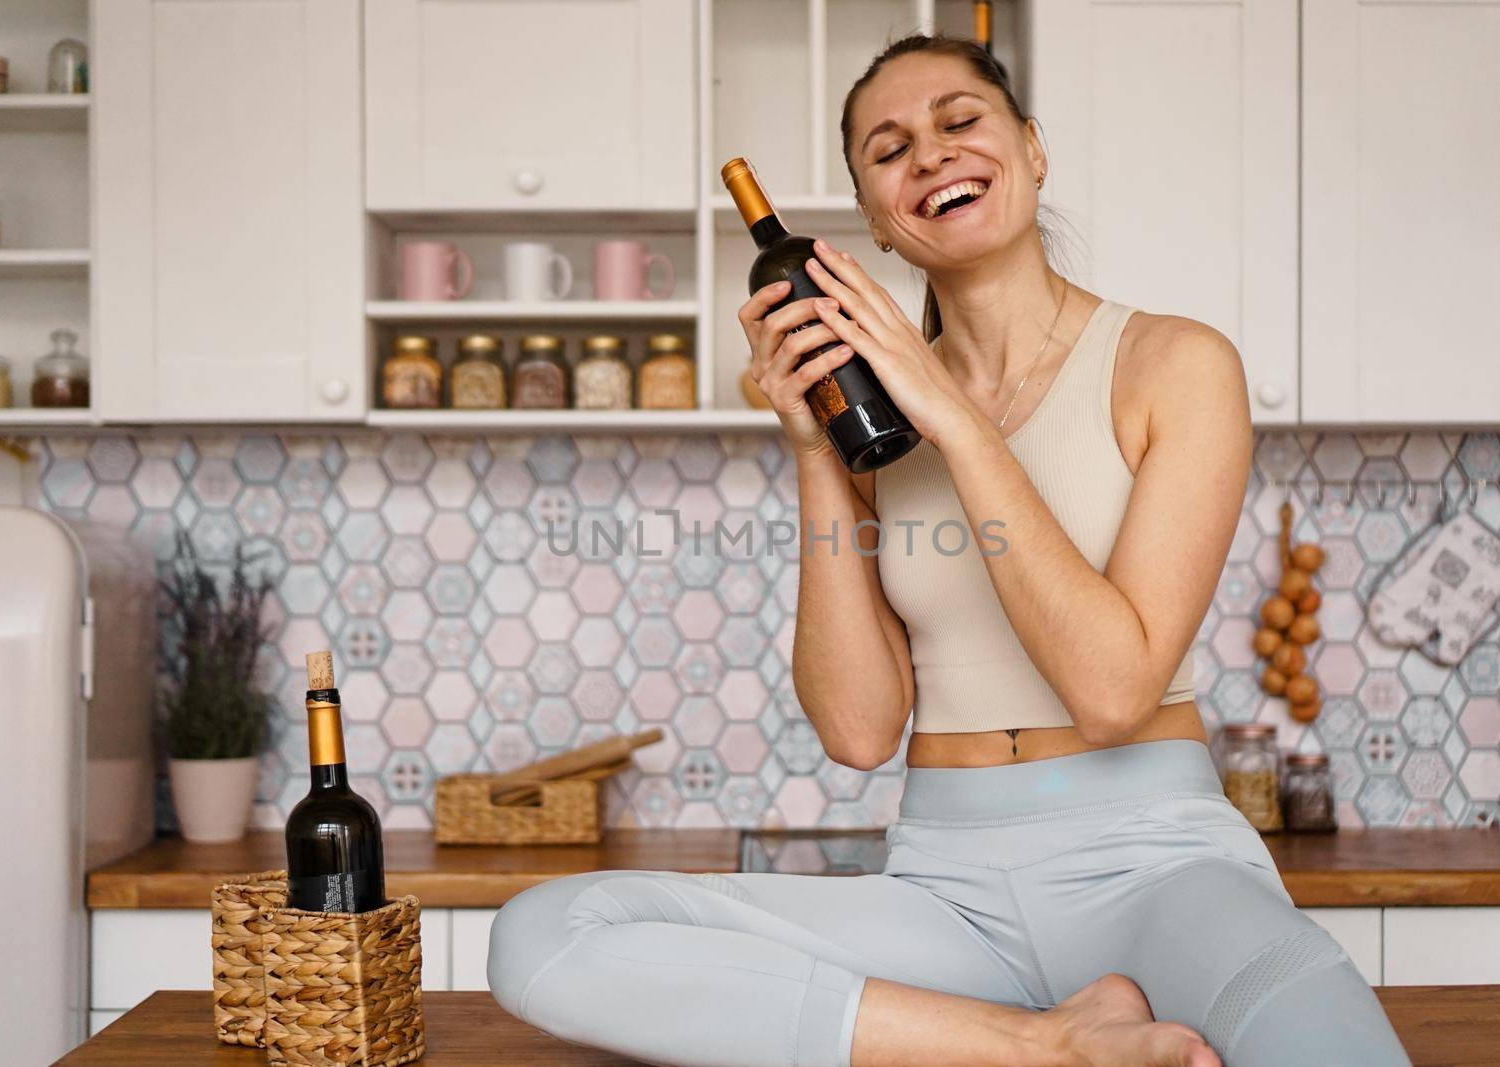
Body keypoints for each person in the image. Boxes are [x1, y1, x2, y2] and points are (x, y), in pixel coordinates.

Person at [485, 32, 1413, 1067]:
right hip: (946, 887)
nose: (929, 153)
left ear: (1031, 148)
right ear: (877, 224)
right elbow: (858, 726)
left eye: (959, 121)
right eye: (889, 149)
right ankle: (1042, 1042)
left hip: (1155, 866)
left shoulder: (1173, 364)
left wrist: (960, 420)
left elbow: (1112, 690)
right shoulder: (873, 426)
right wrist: (811, 448)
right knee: (542, 936)